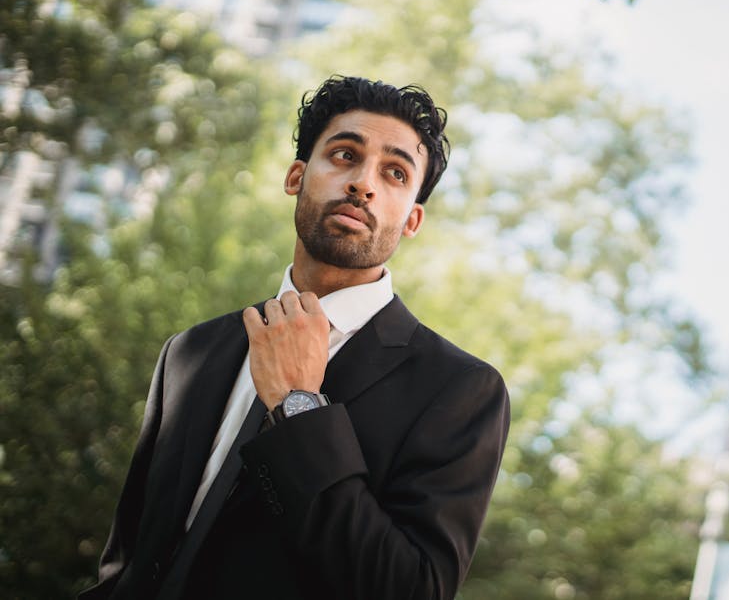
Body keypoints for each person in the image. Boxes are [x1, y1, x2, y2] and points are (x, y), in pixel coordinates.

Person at [80, 76, 510, 600]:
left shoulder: (460, 390)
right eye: (345, 155)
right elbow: (128, 559)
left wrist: (297, 407)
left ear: (412, 219)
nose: (363, 183)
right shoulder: (190, 352)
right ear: (296, 176)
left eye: (395, 173)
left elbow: (410, 588)